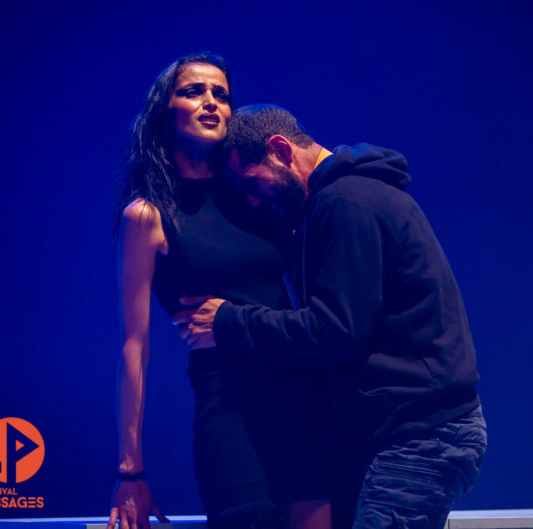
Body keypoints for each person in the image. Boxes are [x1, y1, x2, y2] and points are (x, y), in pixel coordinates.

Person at [173, 104, 488, 529]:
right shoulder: (341, 200)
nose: (252, 200)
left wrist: (229, 321)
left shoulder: (346, 202)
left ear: (280, 149)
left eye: (251, 183)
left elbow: (336, 330)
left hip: (421, 436)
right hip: (413, 433)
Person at [110, 59, 336, 529]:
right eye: (194, 91)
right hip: (229, 407)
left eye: (221, 93)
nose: (211, 101)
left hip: (302, 395)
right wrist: (130, 470)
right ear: (164, 111)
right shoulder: (148, 215)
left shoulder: (257, 193)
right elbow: (135, 346)